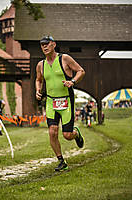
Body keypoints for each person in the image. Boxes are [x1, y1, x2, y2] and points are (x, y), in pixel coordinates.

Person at [35, 36, 85, 172]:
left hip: (66, 100)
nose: (44, 47)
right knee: (52, 132)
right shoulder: (41, 65)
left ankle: (76, 134)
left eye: (47, 44)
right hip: (51, 101)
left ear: (54, 44)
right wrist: (38, 90)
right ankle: (61, 161)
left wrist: (73, 82)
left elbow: (81, 71)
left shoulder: (64, 58)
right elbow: (38, 80)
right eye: (42, 45)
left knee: (67, 135)